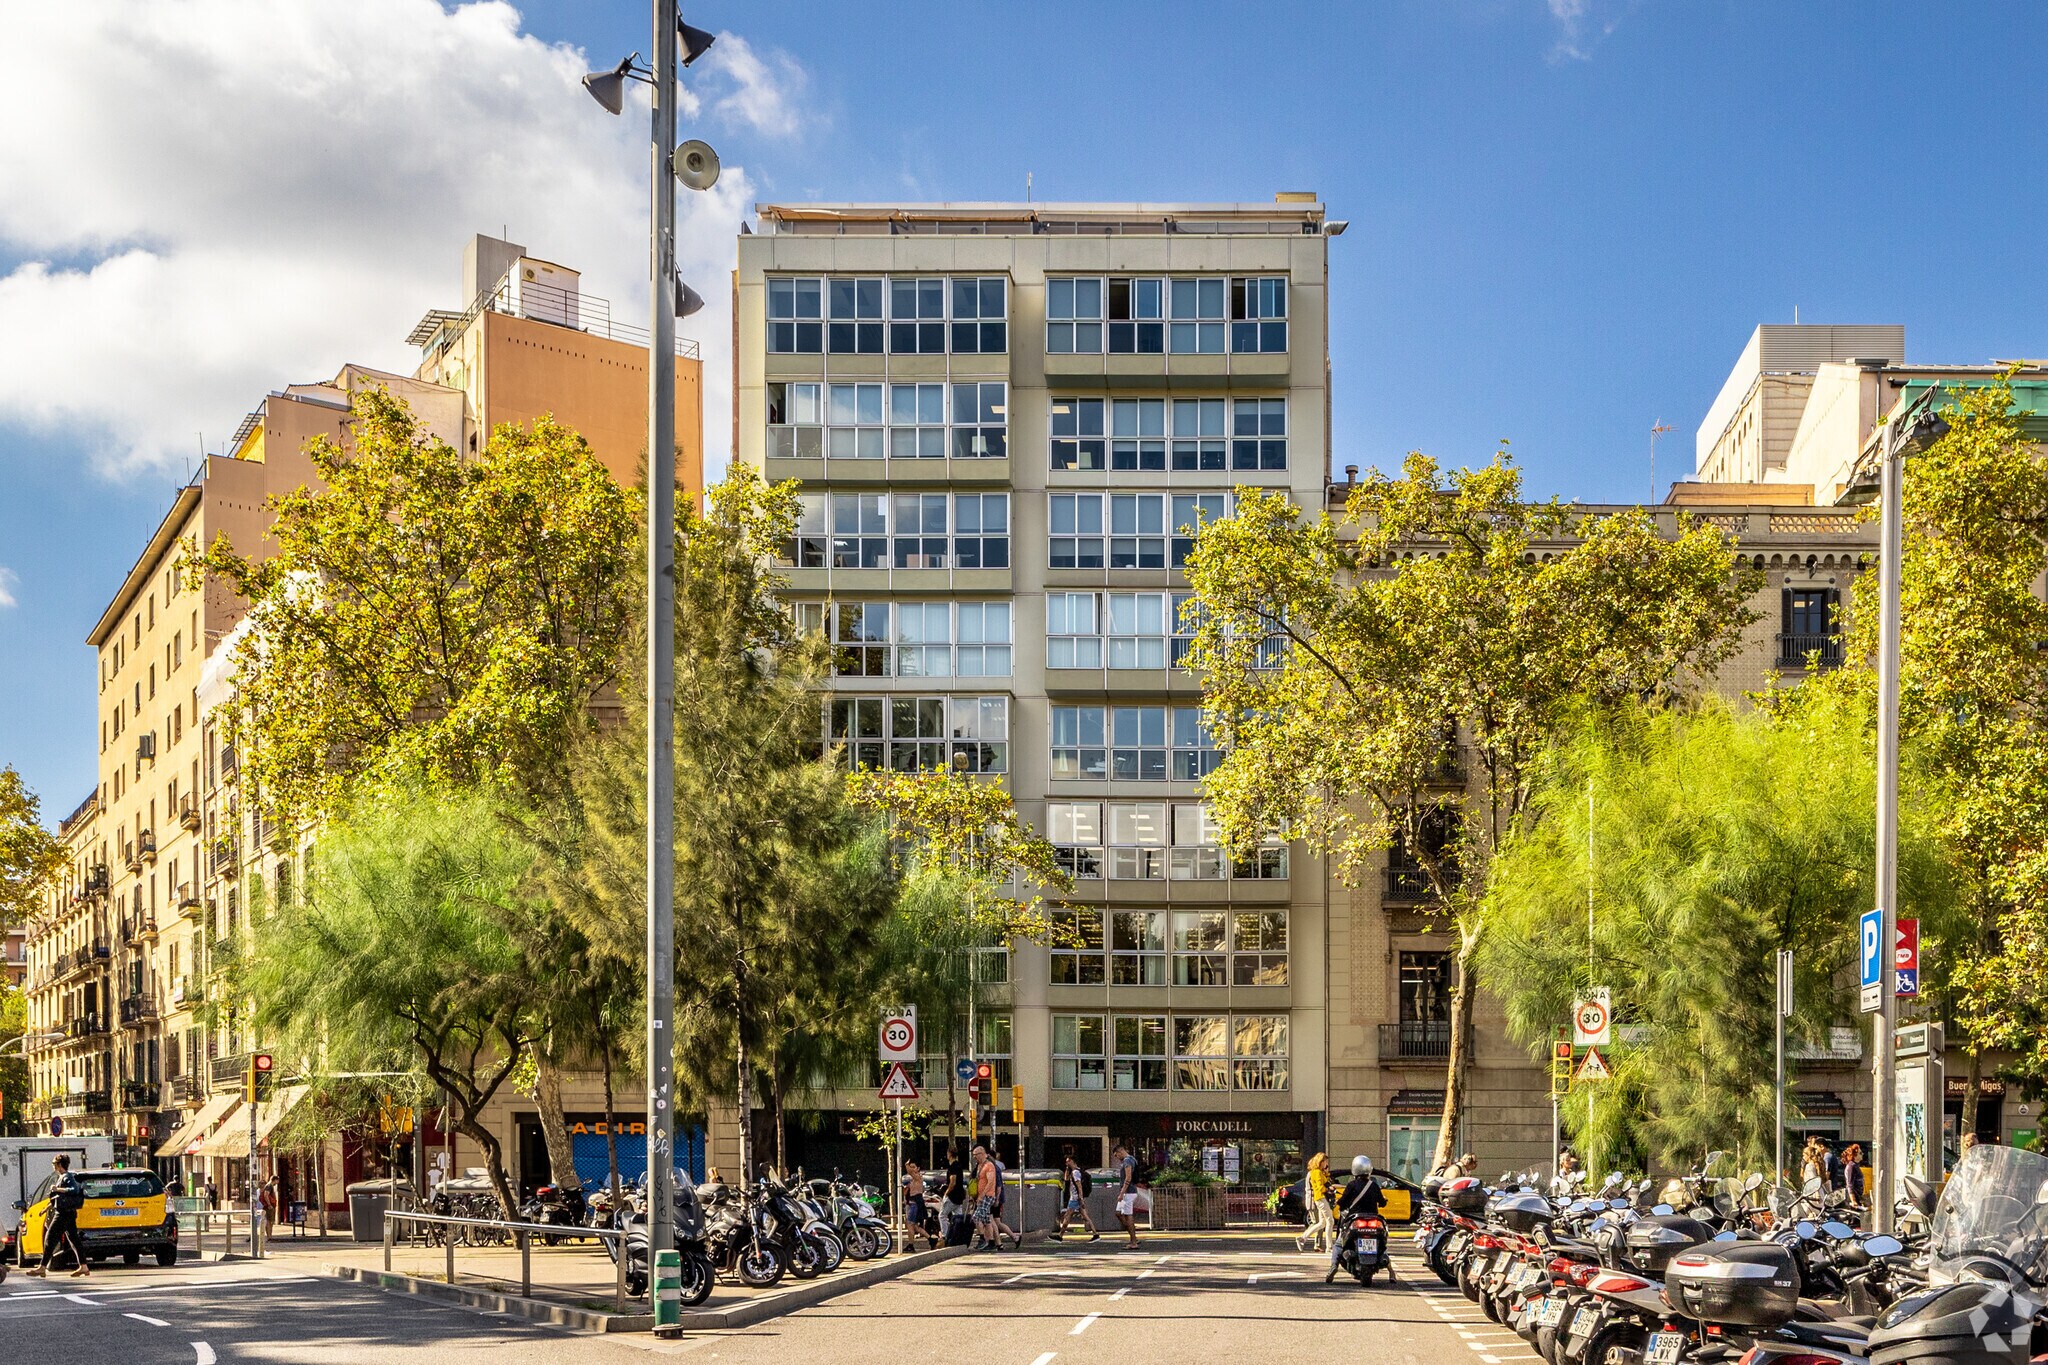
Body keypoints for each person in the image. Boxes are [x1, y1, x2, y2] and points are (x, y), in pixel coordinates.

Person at [1325, 1155, 1387, 1284]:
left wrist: (1339, 1201)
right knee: (1383, 1240)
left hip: (1355, 1219)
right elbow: (1382, 1202)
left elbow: (1342, 1202)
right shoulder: (1374, 1186)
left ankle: (1333, 1266)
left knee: (1338, 1244)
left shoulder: (1352, 1185)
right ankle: (1384, 1259)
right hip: (1373, 1220)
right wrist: (1382, 1201)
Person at [28, 1154, 88, 1279]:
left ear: (59, 1165)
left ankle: (42, 1267)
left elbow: (74, 1190)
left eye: (54, 1164)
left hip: (63, 1214)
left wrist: (57, 1188)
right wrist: (45, 1209)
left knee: (50, 1238)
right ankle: (83, 1266)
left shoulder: (66, 1176)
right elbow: (57, 1198)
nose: (53, 1166)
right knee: (73, 1239)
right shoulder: (63, 1177)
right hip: (68, 1213)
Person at [1052, 1148, 1099, 1242]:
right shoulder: (1074, 1171)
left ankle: (1060, 1236)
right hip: (1077, 1198)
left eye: (1068, 1161)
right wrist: (1067, 1169)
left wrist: (1080, 1198)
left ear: (1072, 1161)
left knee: (1067, 1216)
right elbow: (1066, 1179)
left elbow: (1079, 1186)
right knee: (1085, 1217)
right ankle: (1095, 1234)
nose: (1066, 1163)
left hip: (1075, 1198)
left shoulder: (1075, 1172)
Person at [1296, 1152, 1334, 1254]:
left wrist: (1326, 1173)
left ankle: (1302, 1238)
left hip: (1319, 1198)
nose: (1326, 1163)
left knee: (1322, 1223)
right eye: (1325, 1161)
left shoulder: (1317, 1172)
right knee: (1330, 1221)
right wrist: (1328, 1189)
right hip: (1321, 1198)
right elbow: (1319, 1187)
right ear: (1321, 1162)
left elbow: (1325, 1181)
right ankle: (1329, 1247)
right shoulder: (1316, 1173)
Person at [969, 1146, 1000, 1250]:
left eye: (976, 1155)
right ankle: (991, 1242)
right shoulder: (979, 1166)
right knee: (986, 1220)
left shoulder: (989, 1166)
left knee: (976, 1217)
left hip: (987, 1196)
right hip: (981, 1196)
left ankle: (982, 1239)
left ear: (982, 1154)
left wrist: (982, 1196)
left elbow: (991, 1182)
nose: (974, 1157)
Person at [1112, 1142, 1141, 1249]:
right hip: (1128, 1191)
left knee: (1128, 1215)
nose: (1117, 1158)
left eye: (1116, 1155)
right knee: (1119, 1213)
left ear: (1120, 1151)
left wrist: (1122, 1192)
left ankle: (1133, 1241)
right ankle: (1133, 1236)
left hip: (1128, 1192)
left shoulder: (1128, 1161)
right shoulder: (1132, 1159)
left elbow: (1128, 1178)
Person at [902, 1161, 932, 1251]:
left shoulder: (918, 1177)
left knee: (910, 1224)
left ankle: (911, 1245)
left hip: (915, 1203)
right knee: (915, 1226)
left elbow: (910, 1172)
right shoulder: (913, 1180)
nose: (912, 1169)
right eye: (911, 1167)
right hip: (912, 1203)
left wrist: (906, 1165)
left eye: (913, 1167)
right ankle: (931, 1239)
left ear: (918, 1168)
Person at [940, 1147, 968, 1233]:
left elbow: (952, 1182)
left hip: (952, 1196)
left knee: (942, 1215)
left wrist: (946, 1193)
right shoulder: (959, 1165)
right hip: (959, 1196)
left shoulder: (953, 1167)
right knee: (958, 1216)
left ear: (949, 1154)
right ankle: (958, 1234)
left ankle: (945, 1234)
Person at [1839, 1144, 1867, 1211]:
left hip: (1857, 1196)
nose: (1862, 1154)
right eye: (1860, 1153)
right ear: (1854, 1155)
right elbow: (1849, 1184)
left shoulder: (1855, 1165)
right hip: (1853, 1197)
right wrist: (1853, 1200)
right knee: (1854, 1218)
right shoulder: (1851, 1166)